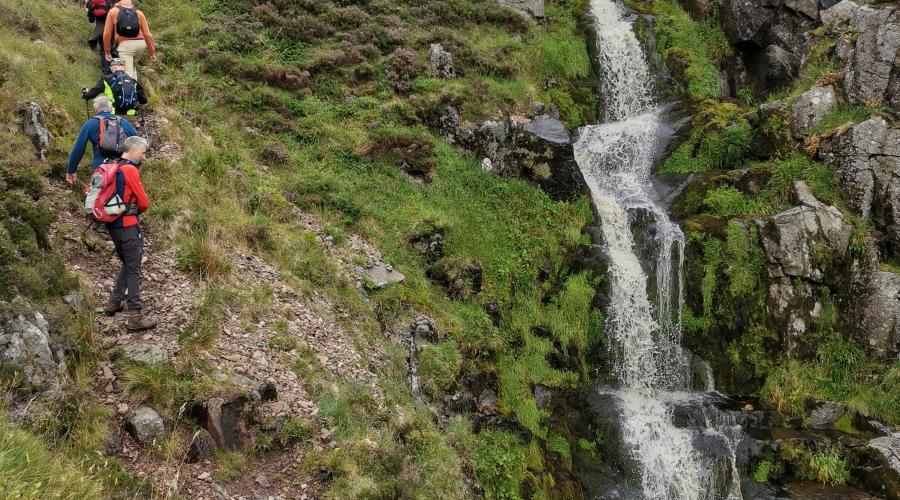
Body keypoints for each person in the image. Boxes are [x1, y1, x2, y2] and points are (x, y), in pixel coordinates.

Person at [102, 136, 156, 332]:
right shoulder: (130, 170)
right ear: (132, 150)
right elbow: (144, 203)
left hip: (112, 226)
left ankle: (114, 302)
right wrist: (133, 213)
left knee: (128, 263)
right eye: (143, 152)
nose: (144, 157)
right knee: (134, 269)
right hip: (127, 225)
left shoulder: (109, 164)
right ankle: (134, 316)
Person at [66, 96, 139, 184]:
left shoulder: (90, 123)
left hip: (100, 169)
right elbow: (138, 143)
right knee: (122, 195)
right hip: (122, 168)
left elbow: (79, 148)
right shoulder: (123, 122)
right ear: (111, 108)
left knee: (97, 195)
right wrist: (136, 166)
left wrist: (71, 170)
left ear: (95, 108)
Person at [103, 0, 157, 79]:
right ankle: (134, 90)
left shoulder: (113, 11)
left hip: (125, 46)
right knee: (132, 69)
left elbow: (107, 34)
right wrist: (152, 53)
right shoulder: (139, 13)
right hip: (141, 45)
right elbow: (147, 35)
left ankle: (129, 90)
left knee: (127, 74)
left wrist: (107, 51)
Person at [82, 57, 147, 117]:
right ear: (124, 68)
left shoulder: (106, 79)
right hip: (131, 115)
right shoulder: (133, 81)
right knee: (129, 129)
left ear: (112, 68)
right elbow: (144, 100)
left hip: (113, 115)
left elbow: (93, 93)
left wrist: (86, 95)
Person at [84, 0, 114, 74]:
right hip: (111, 28)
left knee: (103, 49)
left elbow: (91, 20)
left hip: (100, 30)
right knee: (113, 47)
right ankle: (116, 69)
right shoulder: (109, 2)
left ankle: (106, 71)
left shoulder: (91, 2)